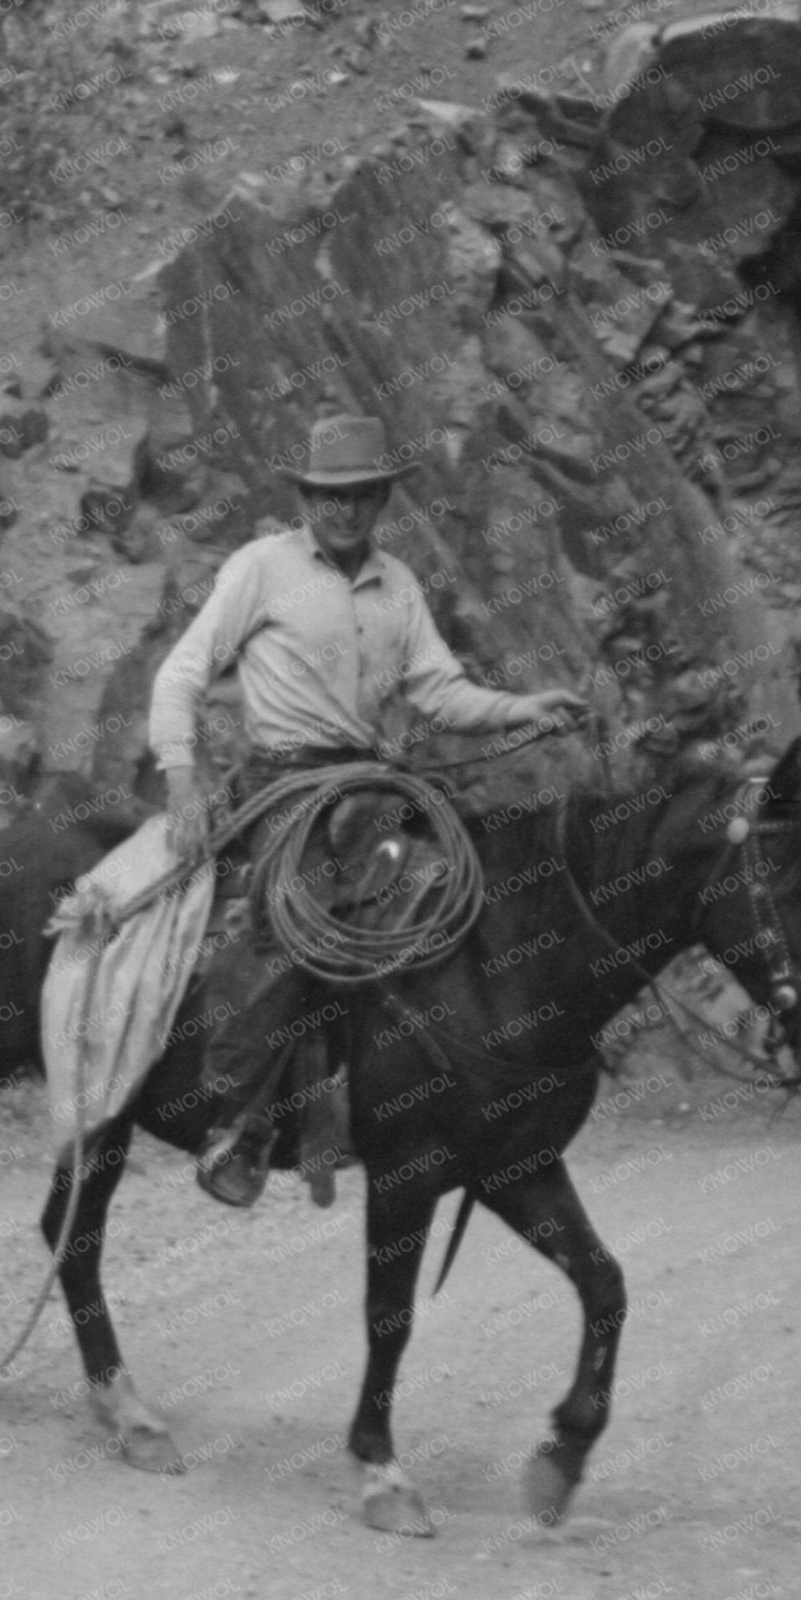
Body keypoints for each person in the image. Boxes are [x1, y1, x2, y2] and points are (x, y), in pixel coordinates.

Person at [145, 412, 586, 1207]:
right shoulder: (261, 568)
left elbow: (440, 690)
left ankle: (418, 1085)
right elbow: (181, 673)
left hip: (372, 784)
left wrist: (524, 710)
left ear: (382, 496)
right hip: (285, 787)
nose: (341, 510)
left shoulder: (400, 585)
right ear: (305, 494)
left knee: (456, 889)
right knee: (300, 917)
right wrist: (181, 781)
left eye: (357, 496)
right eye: (326, 494)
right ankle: (238, 1117)